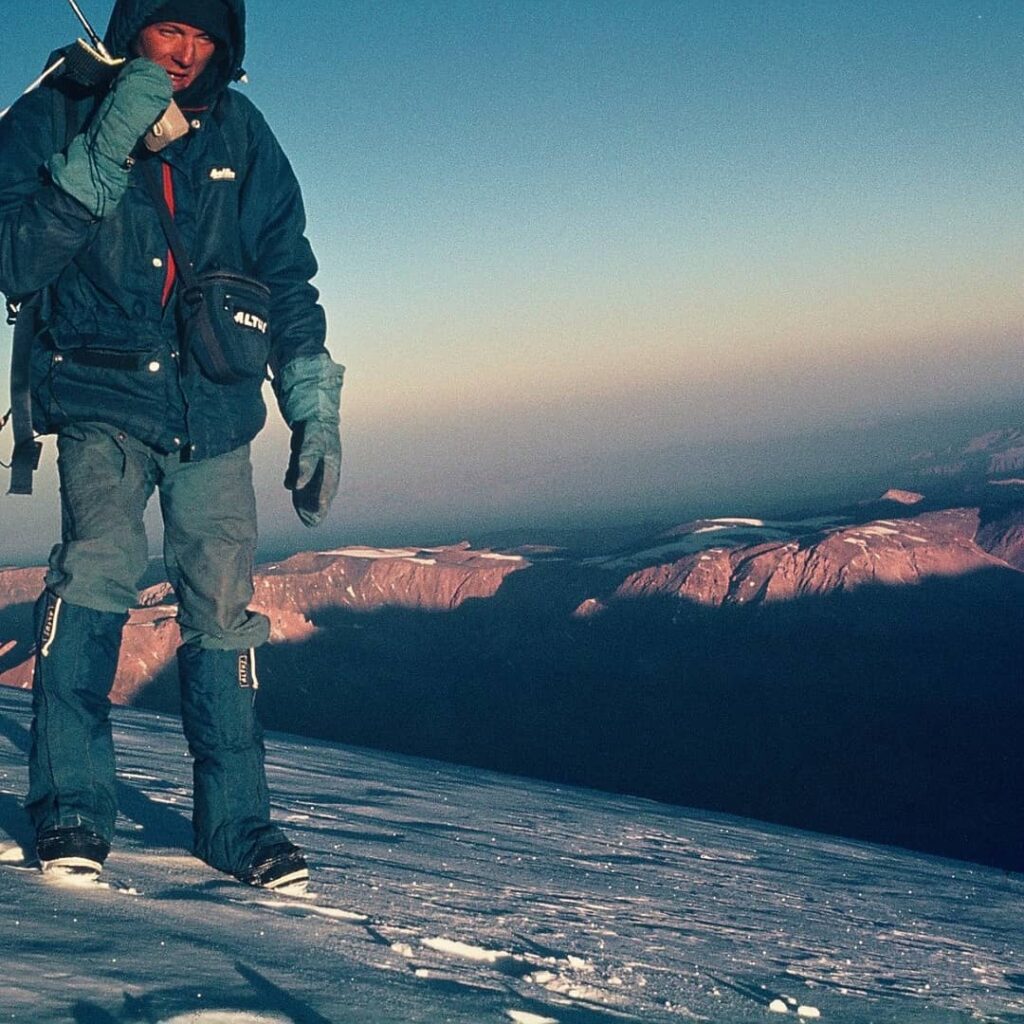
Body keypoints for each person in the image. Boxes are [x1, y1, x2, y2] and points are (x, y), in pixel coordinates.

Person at [0, 0, 343, 891]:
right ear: (132, 27)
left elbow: (286, 268)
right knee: (96, 579)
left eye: (205, 36)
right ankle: (70, 808)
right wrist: (105, 147)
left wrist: (312, 401)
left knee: (223, 611)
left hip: (216, 409)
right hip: (102, 397)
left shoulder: (239, 126)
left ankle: (235, 824)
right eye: (169, 29)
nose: (187, 51)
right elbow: (13, 258)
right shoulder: (59, 106)